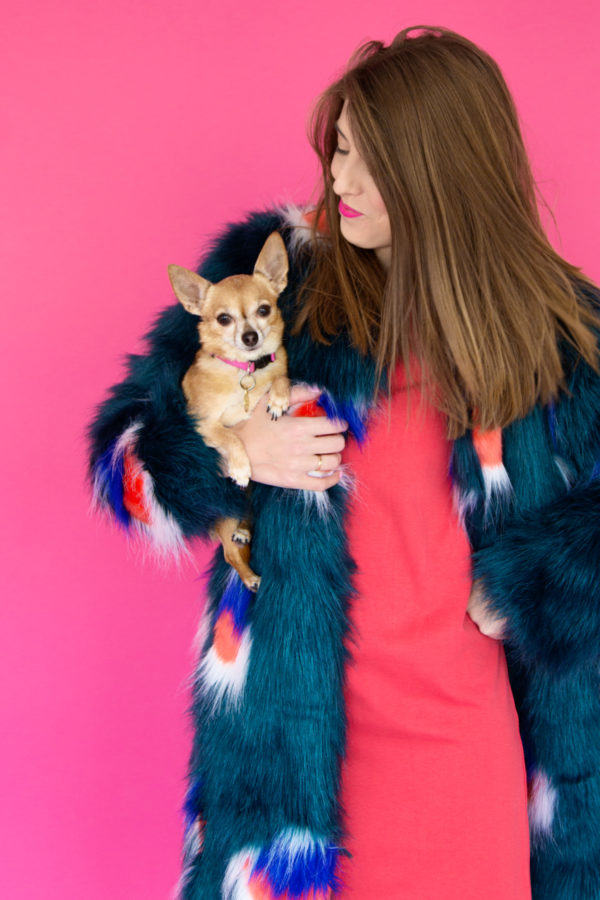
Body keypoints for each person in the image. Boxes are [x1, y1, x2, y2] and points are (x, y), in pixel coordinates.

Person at [88, 25, 600, 900]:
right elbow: (125, 462)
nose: (338, 182)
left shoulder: (553, 330)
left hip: (464, 747)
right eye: (339, 151)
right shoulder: (274, 280)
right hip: (292, 751)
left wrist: (541, 576)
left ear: (440, 172)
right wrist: (238, 451)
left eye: (370, 162)